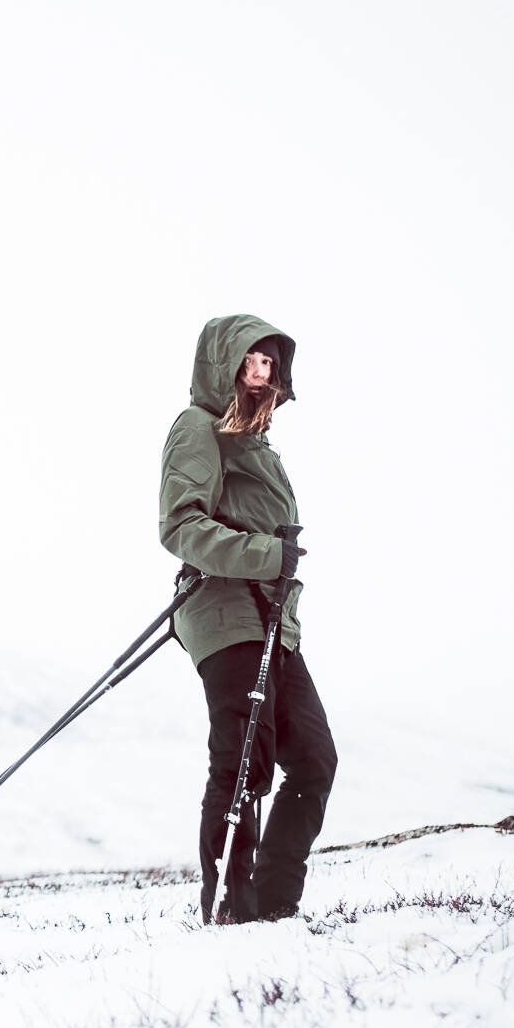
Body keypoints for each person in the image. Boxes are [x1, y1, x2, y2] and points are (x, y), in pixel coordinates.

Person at [158, 314, 337, 923]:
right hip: (224, 609)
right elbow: (180, 526)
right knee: (243, 764)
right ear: (222, 364)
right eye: (249, 361)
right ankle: (231, 909)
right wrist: (266, 552)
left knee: (314, 759)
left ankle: (275, 907)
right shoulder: (198, 427)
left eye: (269, 364)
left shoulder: (257, 444)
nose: (261, 374)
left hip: (272, 619)